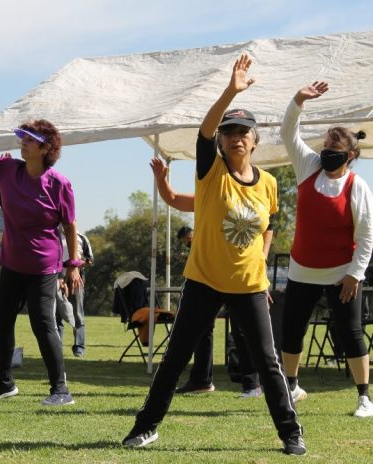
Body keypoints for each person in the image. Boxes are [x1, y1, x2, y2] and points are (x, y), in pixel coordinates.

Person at [122, 54, 304, 456]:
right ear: (222, 142)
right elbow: (204, 133)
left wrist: (262, 262)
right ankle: (145, 427)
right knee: (175, 358)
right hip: (204, 282)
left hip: (249, 286)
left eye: (244, 131)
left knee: (268, 362)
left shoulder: (269, 183)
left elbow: (269, 225)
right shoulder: (211, 172)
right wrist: (230, 92)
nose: (237, 137)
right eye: (230, 132)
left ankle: (291, 435)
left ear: (255, 140)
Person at [0, 91, 82, 406]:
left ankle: (61, 390)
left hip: (43, 268)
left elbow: (70, 227)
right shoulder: (7, 169)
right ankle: (3, 383)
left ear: (45, 148)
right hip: (11, 264)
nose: (23, 144)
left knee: (43, 326)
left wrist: (73, 265)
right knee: (2, 324)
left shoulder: (59, 184)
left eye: (30, 140)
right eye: (23, 138)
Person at [280, 81, 373, 418]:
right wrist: (298, 99)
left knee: (350, 333)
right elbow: (288, 132)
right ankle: (292, 387)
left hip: (341, 275)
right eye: (326, 145)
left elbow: (366, 236)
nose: (327, 150)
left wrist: (354, 275)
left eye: (335, 147)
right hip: (301, 270)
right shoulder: (308, 166)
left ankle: (364, 398)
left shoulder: (357, 186)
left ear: (350, 155)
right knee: (292, 330)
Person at [151, 159, 262, 398]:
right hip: (207, 278)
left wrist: (260, 267)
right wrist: (161, 180)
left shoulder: (254, 194)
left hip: (240, 276)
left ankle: (252, 384)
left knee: (242, 330)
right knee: (201, 329)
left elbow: (267, 228)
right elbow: (172, 198)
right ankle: (201, 380)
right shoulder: (208, 196)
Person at [56, 230, 94, 357]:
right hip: (57, 278)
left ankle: (79, 347)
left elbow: (90, 260)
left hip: (76, 279)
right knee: (57, 314)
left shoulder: (82, 238)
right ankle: (57, 347)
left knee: (78, 314)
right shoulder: (54, 236)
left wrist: (73, 265)